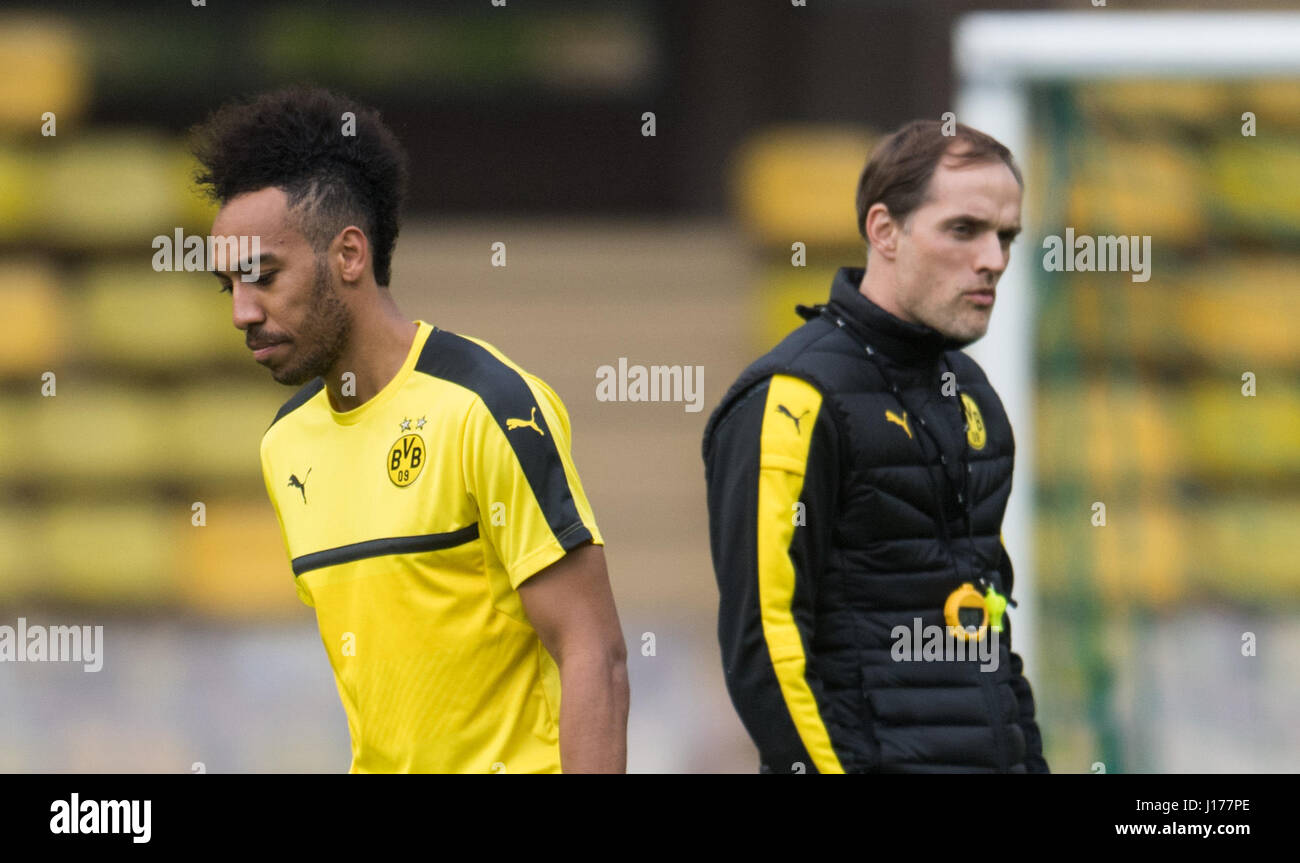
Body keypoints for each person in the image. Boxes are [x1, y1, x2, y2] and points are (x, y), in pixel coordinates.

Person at [191, 86, 628, 773]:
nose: (243, 311)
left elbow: (593, 653)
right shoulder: (285, 447)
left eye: (263, 276)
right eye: (230, 288)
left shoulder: (487, 406)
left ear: (349, 255)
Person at [702, 119, 1048, 773]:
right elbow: (766, 647)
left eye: (1006, 237)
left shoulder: (972, 392)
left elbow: (987, 630)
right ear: (884, 231)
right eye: (964, 229)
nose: (994, 260)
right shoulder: (794, 398)